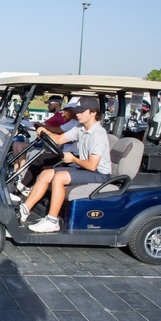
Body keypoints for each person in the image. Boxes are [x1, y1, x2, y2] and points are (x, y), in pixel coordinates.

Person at [19, 96, 111, 233]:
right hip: (85, 169)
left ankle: (52, 221)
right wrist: (45, 131)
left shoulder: (98, 134)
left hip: (99, 174)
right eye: (77, 111)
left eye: (82, 111)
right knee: (46, 173)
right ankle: (24, 210)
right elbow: (60, 139)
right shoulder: (80, 128)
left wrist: (73, 159)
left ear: (93, 113)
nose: (78, 114)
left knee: (59, 177)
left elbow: (92, 166)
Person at [15, 102, 80, 194]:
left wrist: (46, 132)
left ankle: (25, 188)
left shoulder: (80, 126)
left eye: (67, 111)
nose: (63, 114)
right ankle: (23, 185)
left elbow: (63, 140)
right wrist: (42, 127)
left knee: (44, 163)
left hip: (73, 158)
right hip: (65, 153)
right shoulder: (74, 122)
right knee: (41, 159)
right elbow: (58, 129)